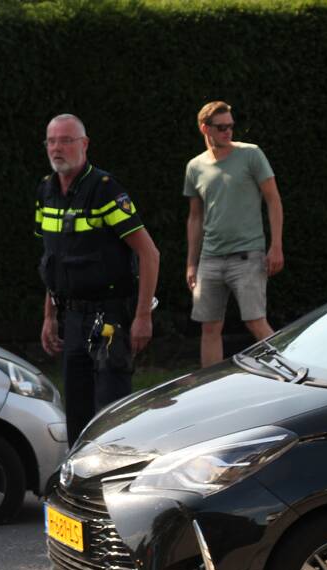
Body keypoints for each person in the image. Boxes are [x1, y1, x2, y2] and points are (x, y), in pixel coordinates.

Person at [36, 114, 160, 448]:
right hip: (71, 317)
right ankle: (79, 484)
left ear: (85, 144)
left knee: (111, 413)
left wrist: (143, 315)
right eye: (52, 141)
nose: (58, 148)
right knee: (75, 411)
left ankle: (114, 483)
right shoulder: (47, 191)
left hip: (109, 318)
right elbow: (52, 261)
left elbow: (150, 254)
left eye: (66, 140)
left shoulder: (105, 190)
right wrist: (49, 316)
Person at [184, 101, 284, 367]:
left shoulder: (251, 155)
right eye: (221, 127)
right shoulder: (195, 166)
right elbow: (195, 217)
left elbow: (273, 200)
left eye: (230, 126)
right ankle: (209, 391)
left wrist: (276, 246)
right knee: (209, 328)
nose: (228, 131)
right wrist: (192, 263)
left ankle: (291, 371)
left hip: (248, 255)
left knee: (255, 322)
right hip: (210, 259)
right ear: (205, 128)